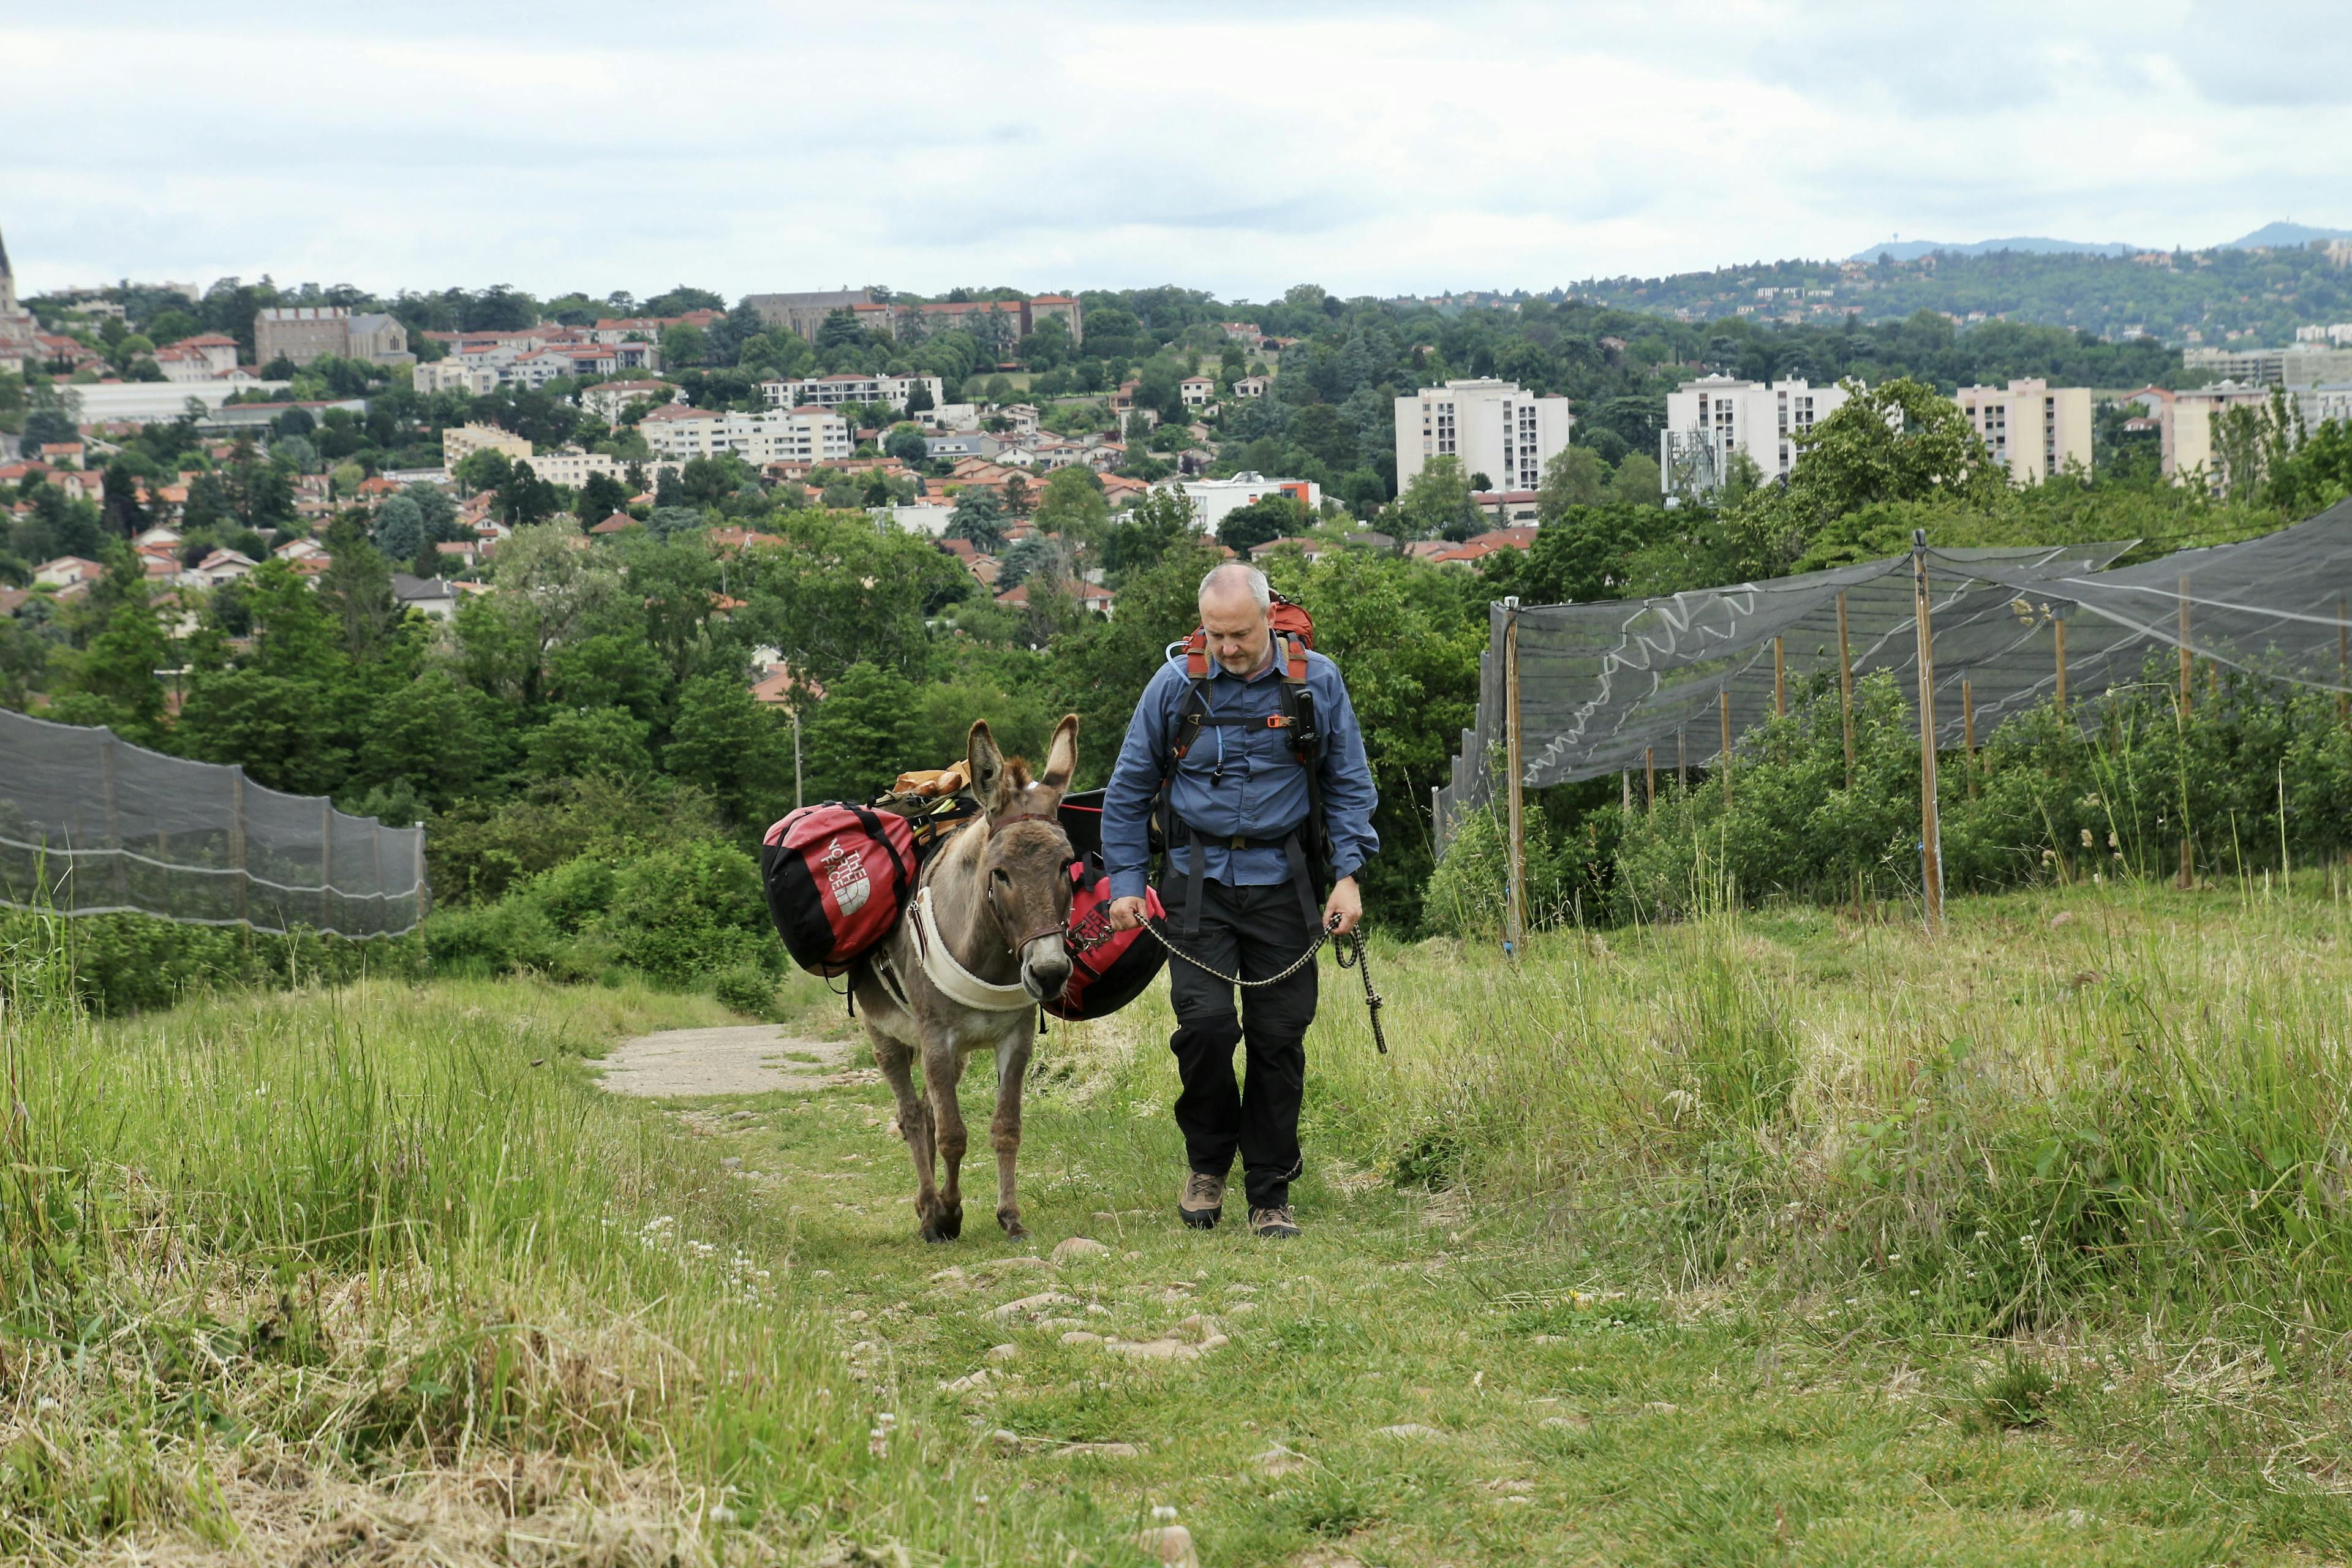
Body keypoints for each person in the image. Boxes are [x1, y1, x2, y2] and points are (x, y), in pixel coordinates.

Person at [1100, 562, 1379, 1238]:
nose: (1228, 647)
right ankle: (1206, 1164)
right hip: (1195, 887)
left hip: (1285, 885)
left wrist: (1348, 876)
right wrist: (1128, 886)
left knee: (1279, 1037)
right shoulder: (1174, 687)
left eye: (1241, 634)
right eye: (1216, 634)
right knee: (1206, 1028)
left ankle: (1271, 1190)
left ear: (1268, 620)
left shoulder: (1317, 684)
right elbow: (1128, 792)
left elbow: (1348, 785)